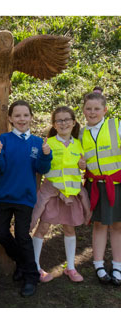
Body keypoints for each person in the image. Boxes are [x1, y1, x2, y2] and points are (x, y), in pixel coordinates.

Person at [0, 100, 52, 297]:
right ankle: (24, 264)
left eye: (25, 115)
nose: (21, 119)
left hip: (25, 198)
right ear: (10, 118)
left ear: (31, 117)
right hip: (4, 196)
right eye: (17, 115)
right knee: (0, 233)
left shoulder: (37, 142)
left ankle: (31, 276)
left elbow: (42, 169)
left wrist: (45, 156)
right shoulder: (3, 140)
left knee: (23, 236)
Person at [30, 106, 91, 283]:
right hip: (52, 194)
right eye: (59, 120)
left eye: (67, 120)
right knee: (42, 228)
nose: (63, 123)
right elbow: (41, 168)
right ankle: (35, 267)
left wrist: (82, 165)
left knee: (69, 229)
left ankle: (70, 267)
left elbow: (82, 168)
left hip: (71, 196)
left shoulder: (79, 145)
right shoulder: (48, 143)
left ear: (73, 122)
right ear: (54, 125)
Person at [79, 92, 121, 286]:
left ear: (105, 110)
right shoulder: (81, 133)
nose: (92, 112)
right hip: (95, 185)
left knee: (117, 225)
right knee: (98, 224)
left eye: (96, 109)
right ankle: (98, 264)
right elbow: (79, 159)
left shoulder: (116, 126)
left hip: (117, 184)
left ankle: (118, 265)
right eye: (89, 109)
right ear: (84, 111)